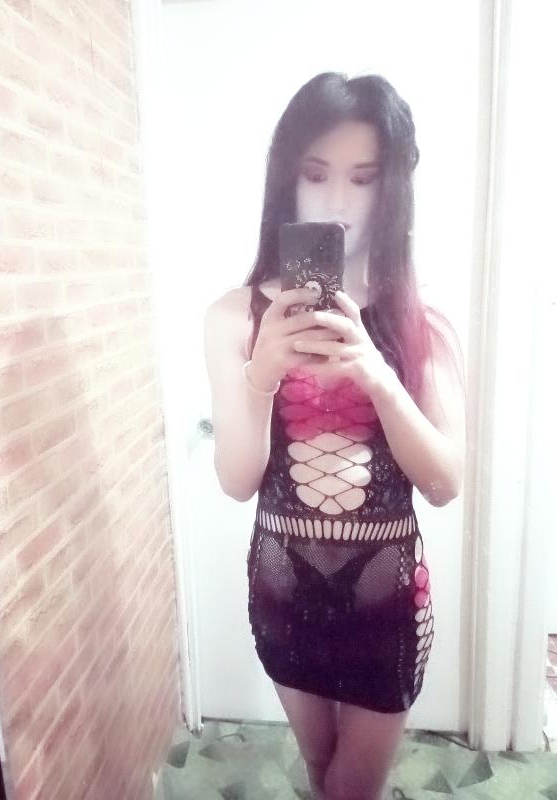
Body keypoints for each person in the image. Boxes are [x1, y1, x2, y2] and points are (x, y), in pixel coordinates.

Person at [203, 72, 465, 800]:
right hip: (282, 586)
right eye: (316, 175)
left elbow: (445, 483)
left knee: (355, 787)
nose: (338, 201)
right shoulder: (232, 319)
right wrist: (261, 375)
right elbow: (237, 481)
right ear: (286, 180)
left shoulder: (422, 323)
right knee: (321, 771)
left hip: (386, 596)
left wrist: (379, 377)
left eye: (363, 177)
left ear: (392, 189)